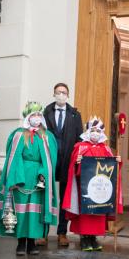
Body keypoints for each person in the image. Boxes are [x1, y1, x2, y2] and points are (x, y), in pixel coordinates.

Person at [0, 101, 59, 255]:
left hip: (38, 178)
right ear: (28, 117)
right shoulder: (18, 134)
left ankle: (32, 242)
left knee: (35, 210)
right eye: (33, 115)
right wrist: (17, 177)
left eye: (38, 115)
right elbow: (13, 157)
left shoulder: (47, 136)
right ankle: (21, 242)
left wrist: (43, 175)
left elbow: (51, 159)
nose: (36, 117)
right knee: (21, 208)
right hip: (21, 177)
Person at [62, 117, 123, 251]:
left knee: (98, 213)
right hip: (85, 189)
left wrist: (117, 161)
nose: (95, 133)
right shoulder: (80, 147)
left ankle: (94, 238)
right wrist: (77, 162)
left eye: (98, 130)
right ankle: (85, 238)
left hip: (101, 190)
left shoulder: (106, 149)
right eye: (93, 130)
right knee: (86, 213)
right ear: (88, 131)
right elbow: (73, 166)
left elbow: (111, 169)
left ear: (102, 133)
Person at [40, 83, 83, 247]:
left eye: (64, 92)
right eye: (58, 92)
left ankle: (62, 233)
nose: (61, 95)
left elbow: (80, 138)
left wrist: (78, 156)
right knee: (44, 194)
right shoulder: (45, 112)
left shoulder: (75, 115)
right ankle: (42, 233)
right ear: (54, 94)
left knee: (64, 198)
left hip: (67, 162)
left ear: (68, 95)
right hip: (48, 161)